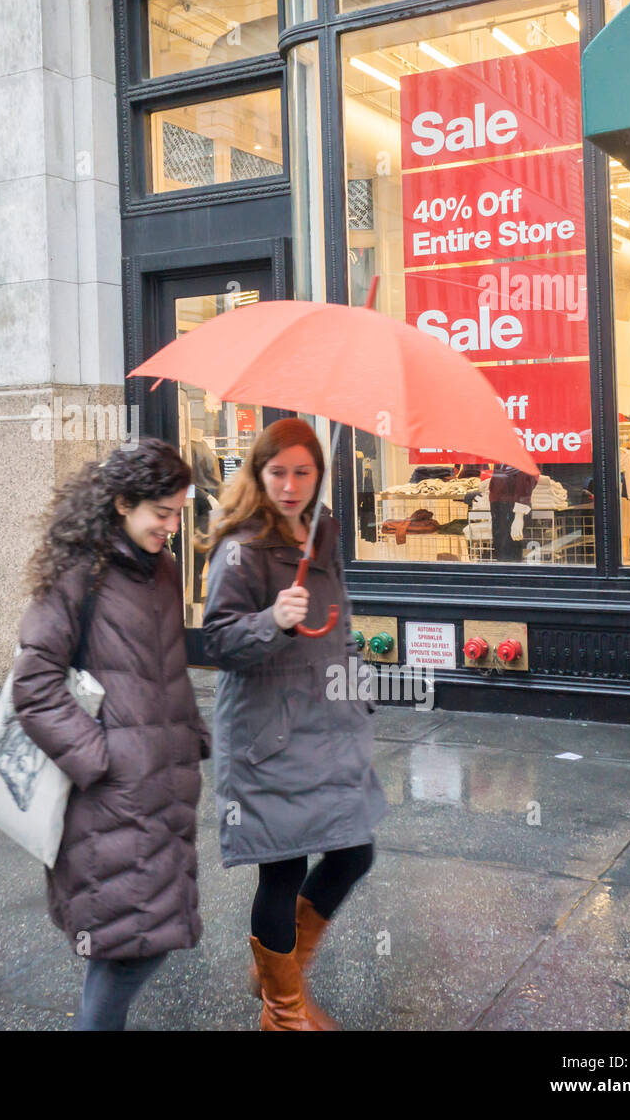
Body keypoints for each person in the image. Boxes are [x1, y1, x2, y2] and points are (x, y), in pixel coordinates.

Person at [12, 438, 210, 1031]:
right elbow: (34, 684)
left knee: (139, 938)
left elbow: (162, 667)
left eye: (179, 513)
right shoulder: (81, 571)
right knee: (124, 950)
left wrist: (187, 731)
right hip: (112, 793)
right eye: (162, 513)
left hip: (164, 781)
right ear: (123, 502)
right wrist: (100, 759)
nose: (172, 527)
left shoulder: (163, 568)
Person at [202, 417, 386, 1031]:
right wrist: (272, 619)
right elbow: (220, 643)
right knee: (279, 865)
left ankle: (277, 966)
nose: (289, 484)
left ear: (318, 473)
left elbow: (336, 629)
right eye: (277, 471)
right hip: (267, 733)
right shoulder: (241, 545)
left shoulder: (323, 534)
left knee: (354, 851)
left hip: (327, 724)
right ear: (258, 472)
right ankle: (283, 1013)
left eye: (302, 471)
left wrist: (356, 685)